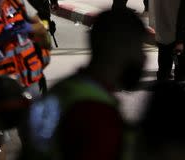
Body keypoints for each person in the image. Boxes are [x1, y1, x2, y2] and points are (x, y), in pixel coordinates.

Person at [23, 8, 146, 160]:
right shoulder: (95, 112)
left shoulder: (63, 90)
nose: (143, 58)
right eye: (140, 47)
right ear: (119, 47)